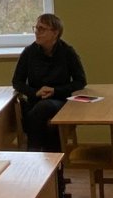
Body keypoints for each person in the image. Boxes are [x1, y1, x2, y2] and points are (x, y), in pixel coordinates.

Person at [13, 14, 87, 153]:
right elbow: (17, 82)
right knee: (49, 125)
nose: (37, 32)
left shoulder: (67, 52)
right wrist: (35, 92)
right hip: (35, 101)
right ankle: (54, 163)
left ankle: (33, 152)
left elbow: (80, 81)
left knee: (43, 109)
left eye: (42, 29)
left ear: (55, 33)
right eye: (36, 28)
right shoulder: (29, 52)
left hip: (60, 100)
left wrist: (55, 90)